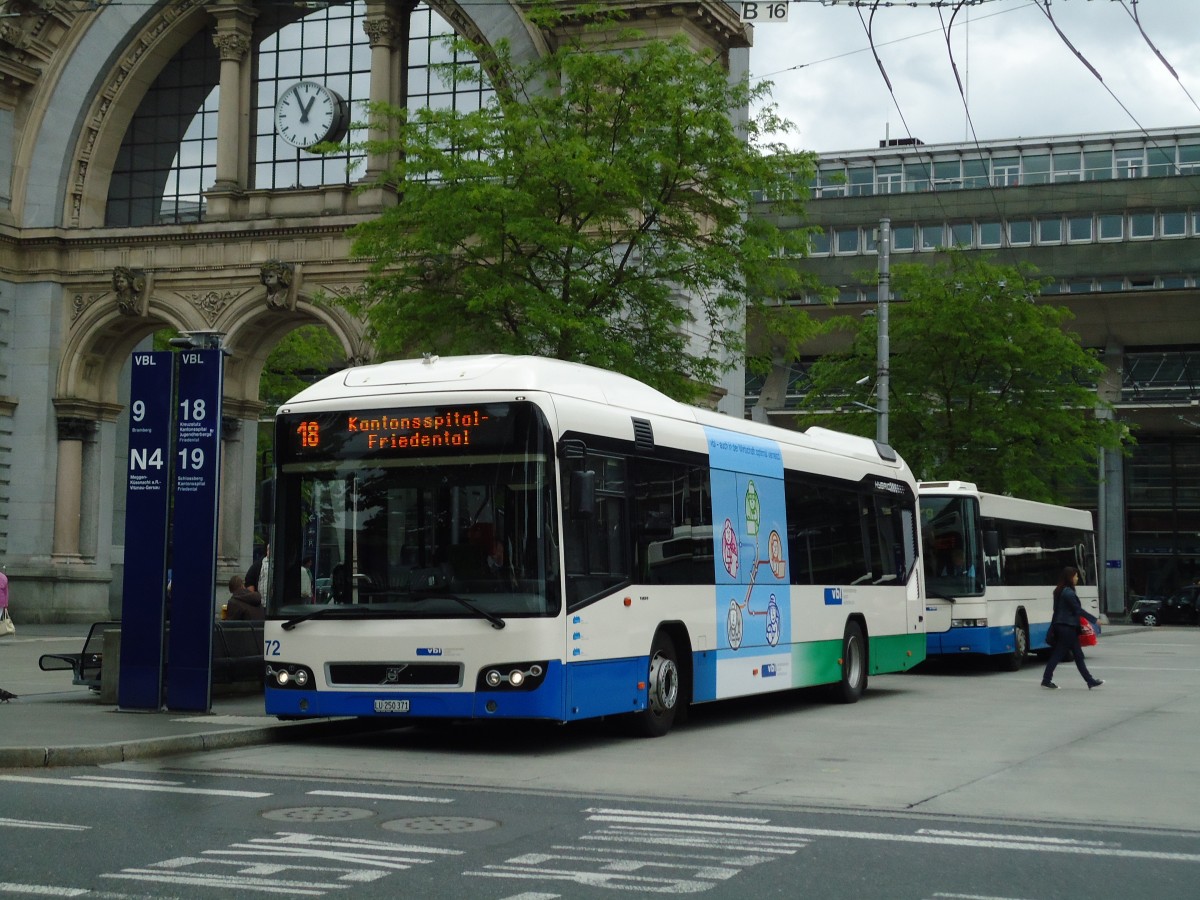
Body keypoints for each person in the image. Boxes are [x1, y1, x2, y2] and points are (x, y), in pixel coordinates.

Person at [1042, 565, 1104, 690]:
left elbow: (1056, 610)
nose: (1077, 579)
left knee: (1076, 654)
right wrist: (1094, 620)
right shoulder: (1068, 593)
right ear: (1070, 577)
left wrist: (1053, 626)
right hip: (1067, 627)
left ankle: (1089, 680)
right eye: (1076, 576)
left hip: (1063, 626)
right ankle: (1047, 679)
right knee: (1061, 654)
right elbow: (1077, 610)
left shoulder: (1059, 591)